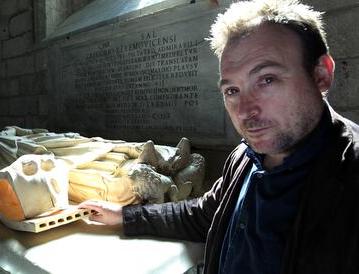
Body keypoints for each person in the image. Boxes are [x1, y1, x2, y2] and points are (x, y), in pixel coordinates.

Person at [78, 0, 359, 273]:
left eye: (267, 79)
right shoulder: (245, 158)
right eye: (232, 91)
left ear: (321, 74)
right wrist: (126, 216)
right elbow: (204, 214)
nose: (246, 111)